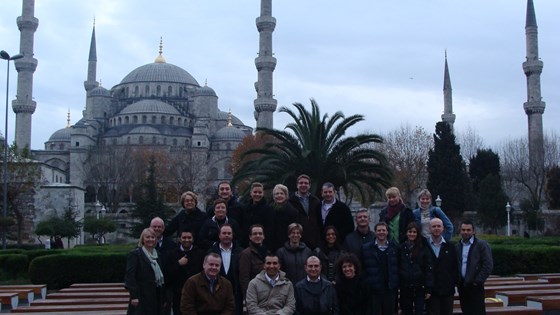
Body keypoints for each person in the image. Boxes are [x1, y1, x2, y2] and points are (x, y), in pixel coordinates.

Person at [361, 222, 399, 315]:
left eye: (383, 230)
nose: (381, 232)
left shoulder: (395, 248)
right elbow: (362, 267)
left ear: (387, 232)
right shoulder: (366, 248)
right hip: (374, 290)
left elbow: (398, 267)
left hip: (389, 289)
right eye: (379, 230)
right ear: (375, 232)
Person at [456, 220, 493, 315]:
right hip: (462, 286)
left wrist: (477, 281)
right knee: (466, 311)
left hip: (475, 286)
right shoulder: (457, 246)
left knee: (478, 311)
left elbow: (488, 265)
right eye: (463, 230)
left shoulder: (481, 245)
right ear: (460, 231)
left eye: (468, 230)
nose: (465, 232)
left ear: (473, 231)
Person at [125, 228, 165, 315]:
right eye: (147, 237)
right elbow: (130, 276)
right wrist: (134, 296)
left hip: (155, 295)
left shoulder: (158, 255)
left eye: (152, 237)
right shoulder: (135, 254)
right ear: (142, 239)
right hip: (141, 296)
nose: (150, 239)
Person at [165, 230, 204, 315]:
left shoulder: (200, 254)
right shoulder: (172, 254)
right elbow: (167, 274)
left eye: (189, 238)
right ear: (179, 239)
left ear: (193, 239)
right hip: (178, 293)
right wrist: (178, 264)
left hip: (196, 294)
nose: (187, 240)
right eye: (184, 237)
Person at [399, 222, 433, 315]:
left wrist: (428, 288)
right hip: (405, 286)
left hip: (420, 286)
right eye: (410, 232)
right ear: (406, 233)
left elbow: (428, 269)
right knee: (406, 311)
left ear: (418, 234)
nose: (412, 234)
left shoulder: (424, 248)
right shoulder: (401, 248)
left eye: (414, 232)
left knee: (419, 311)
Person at [208, 224, 244, 315]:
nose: (227, 235)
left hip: (236, 294)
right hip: (215, 294)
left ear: (232, 235)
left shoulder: (241, 252)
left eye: (229, 233)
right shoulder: (211, 252)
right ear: (219, 235)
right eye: (224, 233)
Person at [427, 218, 458, 315]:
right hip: (431, 290)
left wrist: (454, 283)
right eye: (434, 226)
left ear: (443, 228)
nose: (436, 228)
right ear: (429, 229)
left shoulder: (451, 247)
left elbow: (455, 267)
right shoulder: (424, 246)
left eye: (439, 226)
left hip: (447, 290)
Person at [288, 174, 322, 250]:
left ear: (309, 185)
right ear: (297, 185)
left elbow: (319, 222)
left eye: (306, 183)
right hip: (296, 241)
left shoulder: (316, 201)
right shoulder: (290, 201)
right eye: (301, 183)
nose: (303, 185)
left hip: (313, 241)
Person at [239, 225, 269, 303]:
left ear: (263, 236)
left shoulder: (268, 253)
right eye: (255, 234)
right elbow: (244, 278)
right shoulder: (246, 254)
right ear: (250, 237)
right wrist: (248, 298)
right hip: (254, 296)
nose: (258, 236)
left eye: (260, 233)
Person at [239, 182, 273, 248]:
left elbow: (270, 230)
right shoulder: (244, 209)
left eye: (260, 192)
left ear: (263, 193)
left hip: (262, 245)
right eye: (255, 192)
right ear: (251, 193)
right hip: (246, 245)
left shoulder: (269, 210)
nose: (257, 194)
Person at [269, 184, 298, 252]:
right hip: (271, 246)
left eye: (282, 193)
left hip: (287, 247)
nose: (279, 195)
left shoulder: (293, 212)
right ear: (273, 196)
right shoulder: (268, 210)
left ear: (286, 196)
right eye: (277, 194)